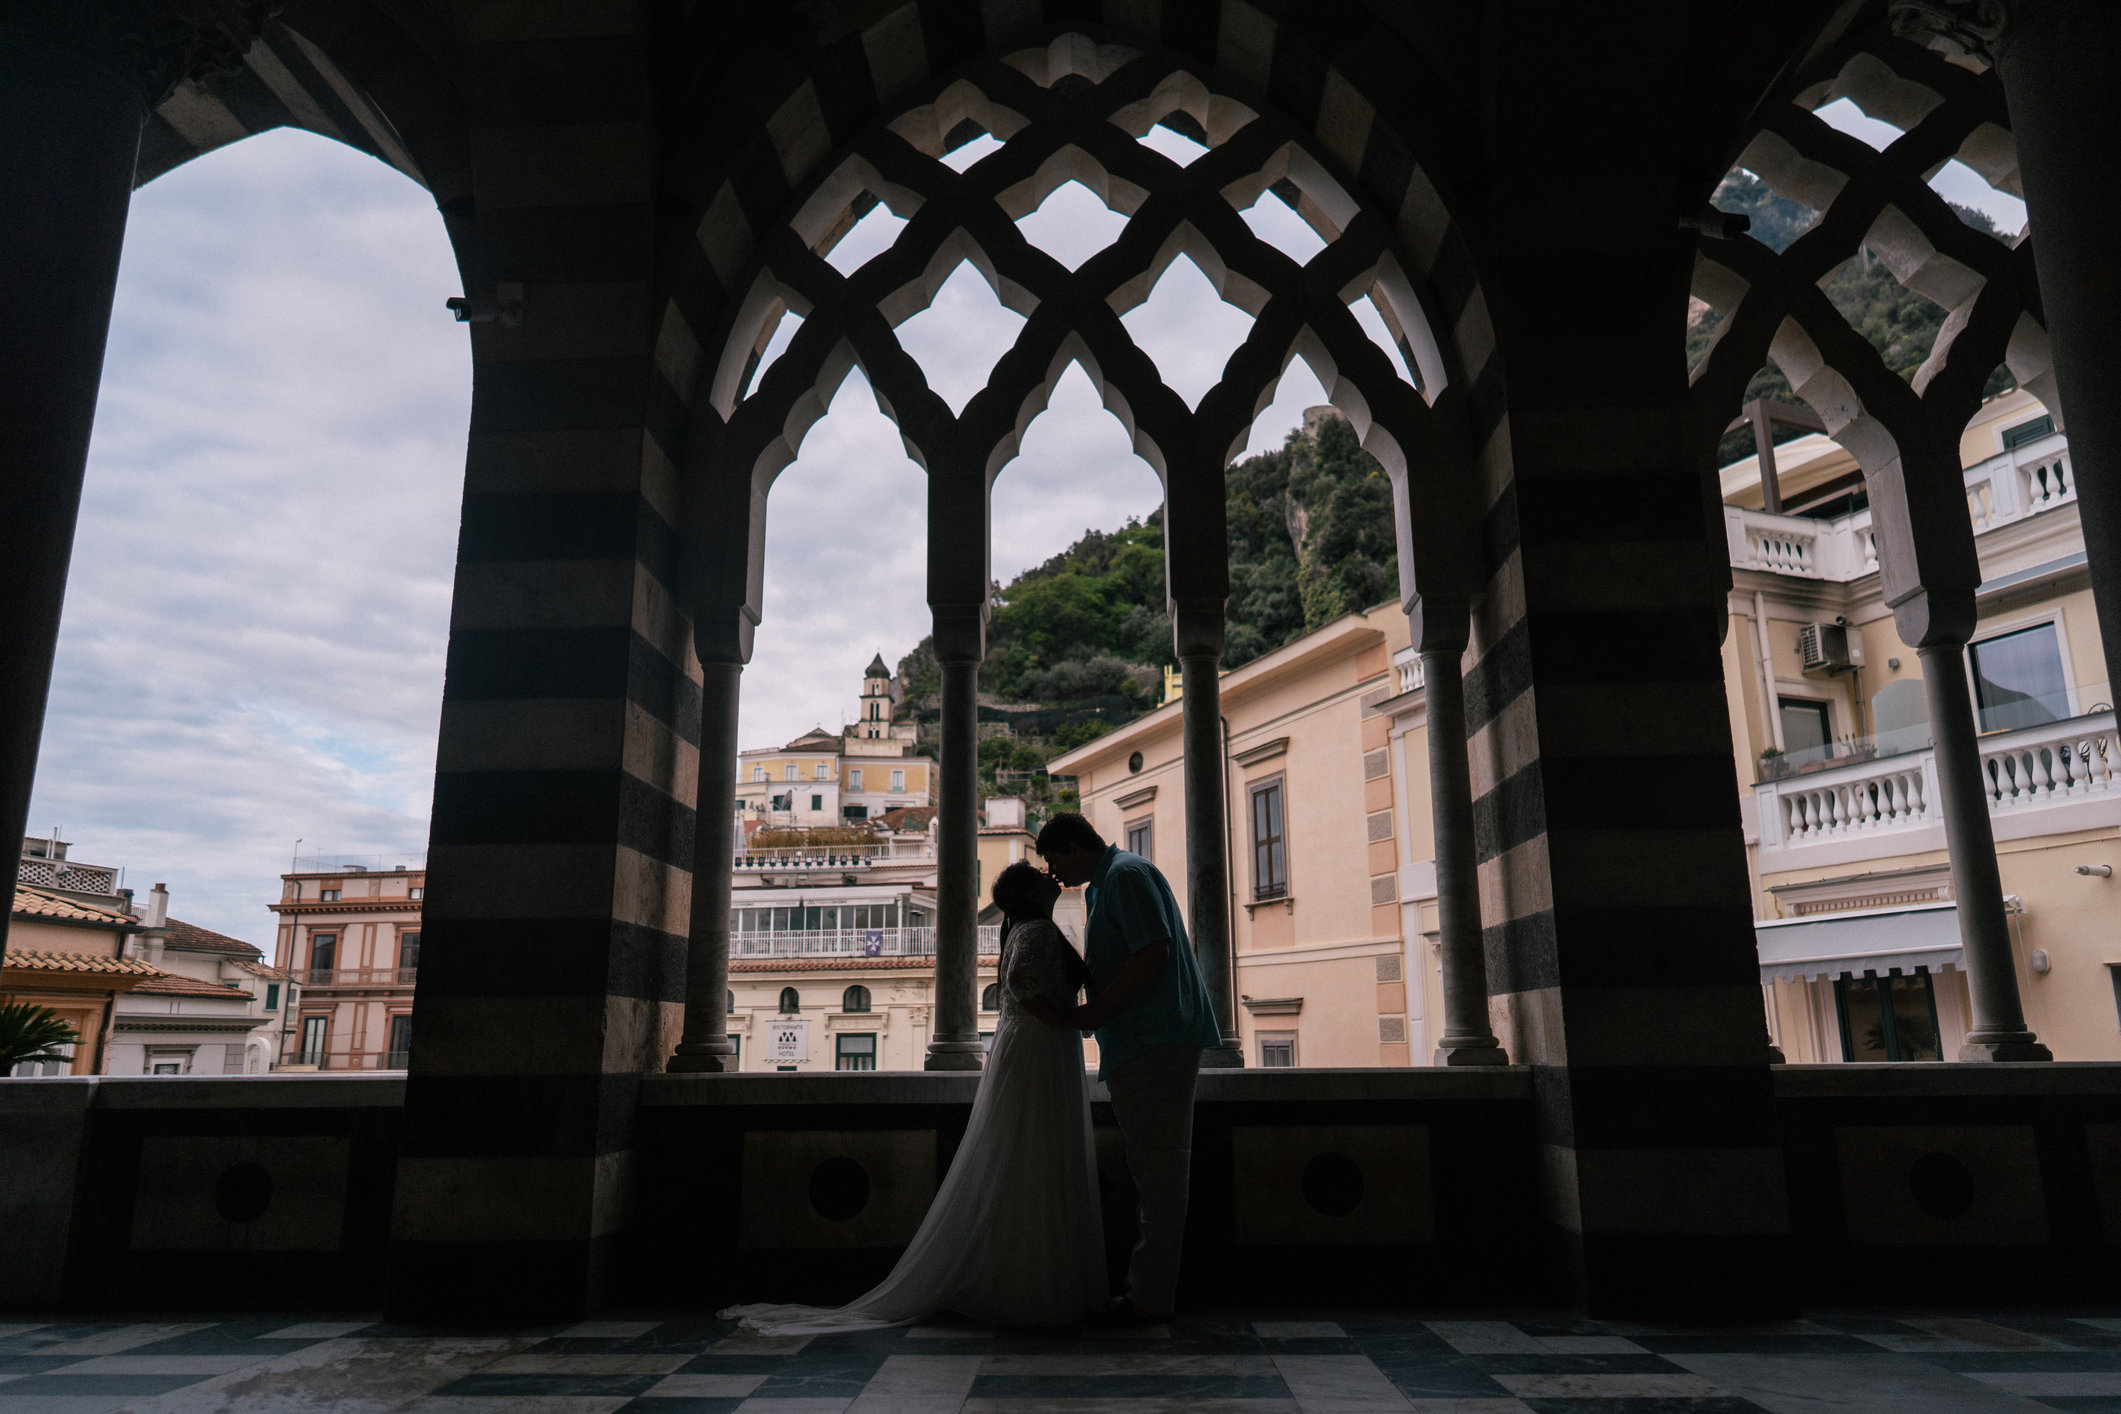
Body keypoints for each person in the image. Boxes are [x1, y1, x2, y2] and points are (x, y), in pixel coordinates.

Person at [721, 862, 1104, 1333]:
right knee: (1038, 1154)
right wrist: (1073, 1022)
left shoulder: (1027, 929)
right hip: (1042, 1050)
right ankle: (1038, 1286)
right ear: (1027, 892)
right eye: (1038, 873)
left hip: (1035, 1050)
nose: (1051, 875)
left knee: (1026, 1156)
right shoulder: (1037, 931)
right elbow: (1028, 991)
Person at [1034, 810, 1221, 1325]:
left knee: (1160, 1175)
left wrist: (1093, 1013)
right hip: (1142, 1042)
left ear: (1074, 848)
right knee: (1153, 1171)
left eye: (1055, 860)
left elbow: (1151, 953)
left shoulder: (1127, 875)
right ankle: (1148, 1291)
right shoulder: (1107, 882)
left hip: (1155, 1041)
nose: (1055, 873)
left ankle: (1150, 1298)